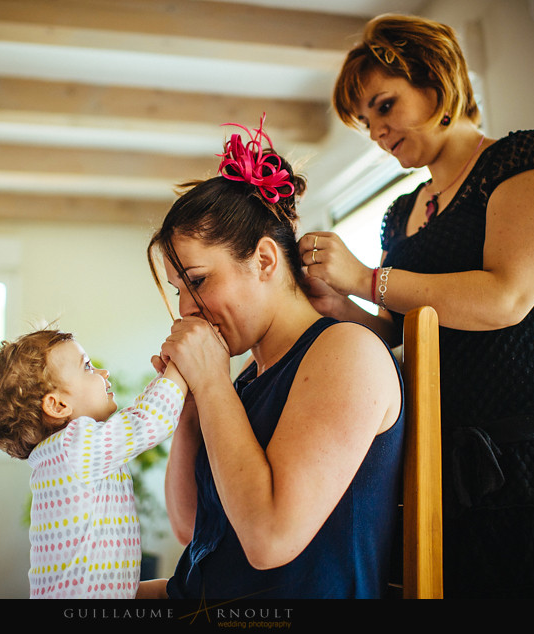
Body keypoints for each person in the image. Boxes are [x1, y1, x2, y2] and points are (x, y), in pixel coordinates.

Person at [298, 14, 534, 598]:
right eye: (365, 121)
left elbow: (506, 297)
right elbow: (401, 332)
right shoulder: (399, 213)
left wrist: (367, 276)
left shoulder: (520, 160)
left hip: (524, 448)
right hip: (436, 456)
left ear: (435, 78)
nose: (375, 130)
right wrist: (338, 301)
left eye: (383, 105)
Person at [146, 116, 405, 599]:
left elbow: (268, 540)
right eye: (178, 290)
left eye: (198, 281)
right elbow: (190, 527)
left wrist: (213, 384)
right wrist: (190, 407)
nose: (185, 308)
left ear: (265, 260)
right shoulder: (243, 381)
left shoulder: (347, 352)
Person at [0, 327, 187, 599]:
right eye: (87, 367)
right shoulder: (74, 447)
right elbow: (151, 419)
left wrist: (164, 378)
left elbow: (137, 417)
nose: (103, 373)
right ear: (58, 406)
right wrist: (182, 366)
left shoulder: (60, 455)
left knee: (168, 590)